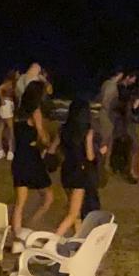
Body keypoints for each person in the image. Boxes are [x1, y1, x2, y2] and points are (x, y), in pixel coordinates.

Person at [11, 80, 55, 238]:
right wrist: (49, 142)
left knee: (20, 202)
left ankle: (17, 233)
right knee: (48, 197)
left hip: (19, 157)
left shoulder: (18, 113)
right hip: (32, 158)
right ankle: (30, 225)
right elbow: (42, 136)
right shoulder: (35, 112)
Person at [54, 98, 96, 236]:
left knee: (75, 212)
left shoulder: (63, 129)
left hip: (66, 170)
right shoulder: (87, 132)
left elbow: (54, 149)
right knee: (72, 214)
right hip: (80, 172)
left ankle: (77, 240)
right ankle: (53, 240)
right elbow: (90, 156)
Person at [96, 69, 123, 173]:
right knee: (106, 140)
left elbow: (99, 98)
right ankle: (102, 165)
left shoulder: (105, 84)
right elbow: (106, 102)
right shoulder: (111, 85)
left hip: (105, 114)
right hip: (107, 115)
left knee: (106, 139)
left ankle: (104, 164)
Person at [0, 70, 17, 160]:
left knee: (1, 128)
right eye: (17, 73)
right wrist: (2, 99)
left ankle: (0, 151)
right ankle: (10, 152)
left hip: (6, 106)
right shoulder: (9, 83)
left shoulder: (10, 83)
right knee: (11, 129)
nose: (18, 75)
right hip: (7, 105)